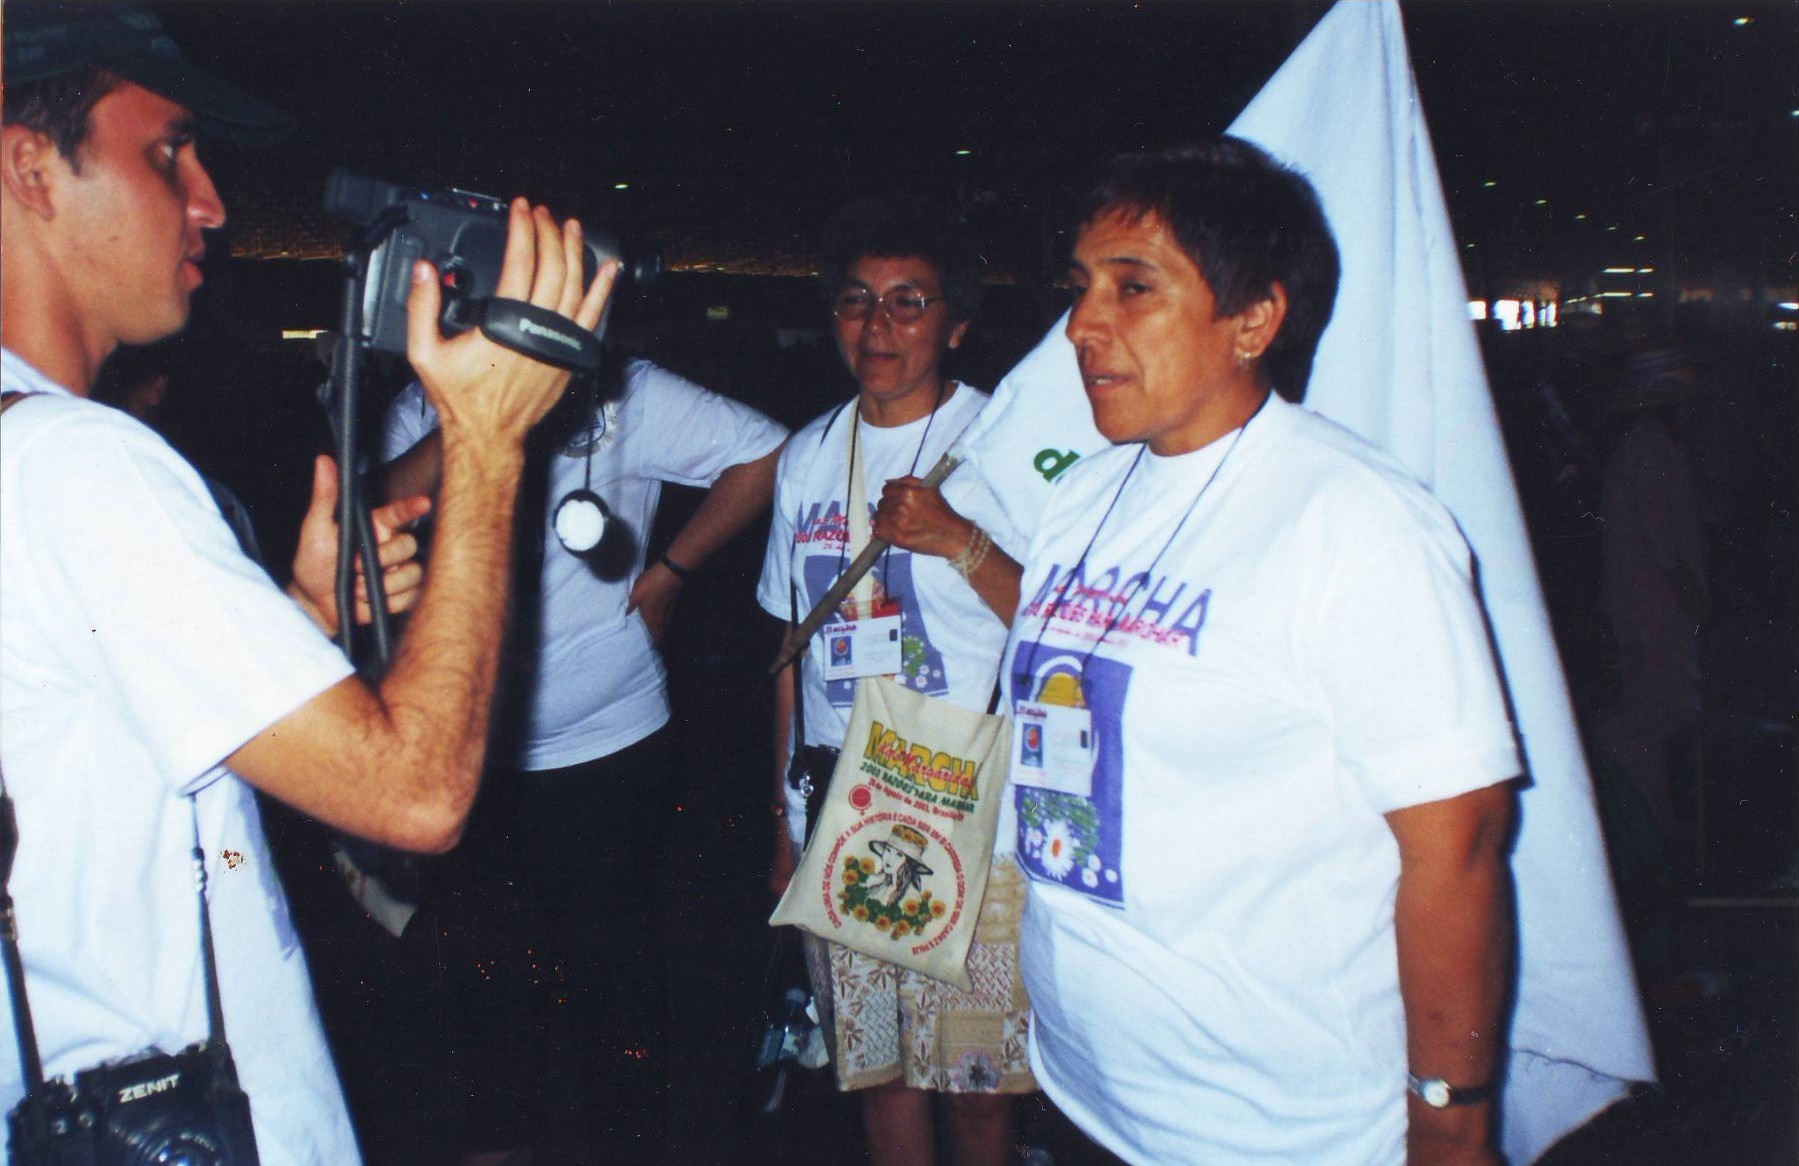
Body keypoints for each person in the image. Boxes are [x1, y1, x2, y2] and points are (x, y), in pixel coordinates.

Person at [0, 7, 615, 1163]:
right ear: (32, 169)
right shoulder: (79, 461)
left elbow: (104, 765)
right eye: (167, 152)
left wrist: (296, 626)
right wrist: (486, 438)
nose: (210, 203)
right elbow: (416, 796)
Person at [1004, 141, 1520, 1164]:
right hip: (1084, 1090)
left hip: (1273, 1128)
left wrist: (1449, 1117)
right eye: (1080, 286)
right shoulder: (1082, 498)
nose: (1080, 325)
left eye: (1132, 287)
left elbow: (1456, 843)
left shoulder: (1356, 524)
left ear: (1252, 320)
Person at [379, 352, 786, 1163]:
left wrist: (671, 572)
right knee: (486, 980)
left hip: (611, 740)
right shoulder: (424, 401)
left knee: (614, 980)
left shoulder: (623, 387)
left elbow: (765, 452)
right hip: (469, 754)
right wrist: (479, 410)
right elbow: (372, 509)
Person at [757, 194, 1033, 1166]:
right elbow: (790, 646)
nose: (876, 325)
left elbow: (1061, 631)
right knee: (878, 1076)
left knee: (976, 1086)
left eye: (908, 301)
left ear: (955, 324)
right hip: (845, 809)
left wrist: (957, 540)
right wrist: (784, 825)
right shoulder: (805, 454)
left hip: (972, 814)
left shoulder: (1004, 447)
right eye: (855, 300)